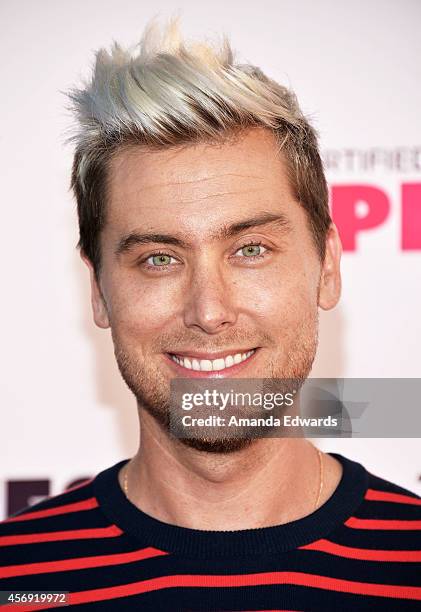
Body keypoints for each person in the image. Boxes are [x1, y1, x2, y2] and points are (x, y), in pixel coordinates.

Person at [0, 18, 420, 611]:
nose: (209, 310)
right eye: (158, 258)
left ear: (327, 266)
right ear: (97, 289)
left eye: (250, 250)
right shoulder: (17, 577)